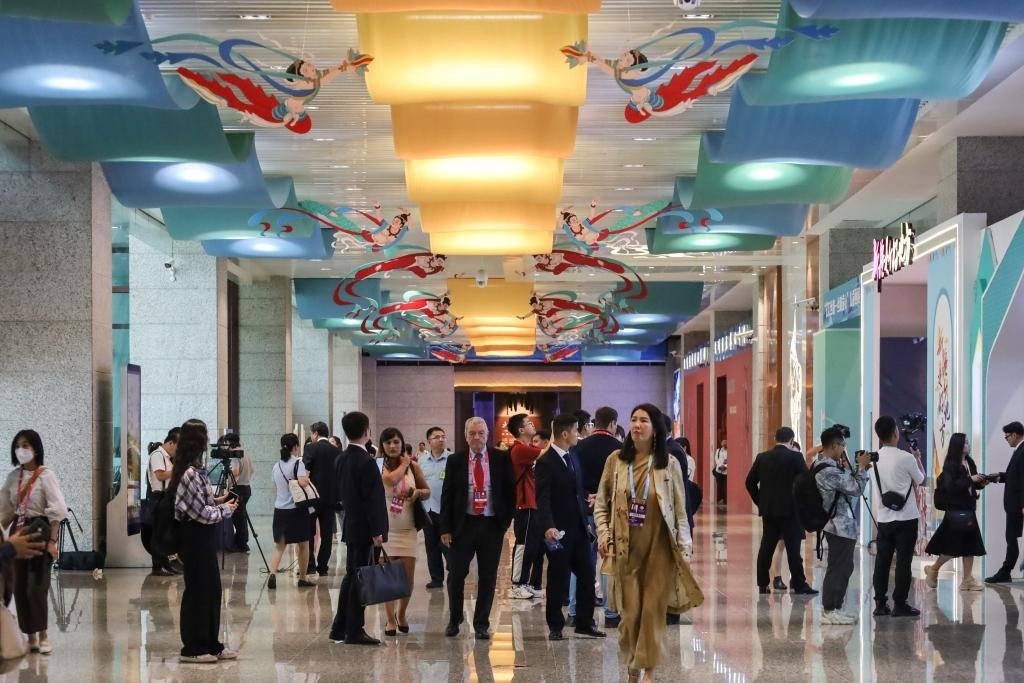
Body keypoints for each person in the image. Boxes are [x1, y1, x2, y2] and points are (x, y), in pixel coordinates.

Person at [595, 404, 702, 683]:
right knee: (630, 615)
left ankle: (649, 674)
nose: (636, 425)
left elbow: (681, 511)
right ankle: (634, 665)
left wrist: (685, 548)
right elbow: (601, 504)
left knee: (653, 614)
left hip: (660, 551)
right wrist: (604, 534)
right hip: (626, 550)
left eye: (643, 420)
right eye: (633, 419)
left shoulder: (669, 464)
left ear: (655, 428)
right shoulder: (616, 461)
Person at [439, 417, 515, 640]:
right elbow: (447, 496)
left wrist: (504, 522)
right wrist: (445, 528)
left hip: (491, 525)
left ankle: (481, 623)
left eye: (481, 433)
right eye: (472, 433)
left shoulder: (501, 458)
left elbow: (510, 491)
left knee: (488, 576)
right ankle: (455, 619)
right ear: (466, 436)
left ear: (487, 434)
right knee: (456, 574)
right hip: (463, 525)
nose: (477, 437)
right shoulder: (455, 460)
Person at [170, 419, 239, 663]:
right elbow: (200, 513)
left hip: (204, 537)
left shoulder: (197, 470)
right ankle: (192, 647)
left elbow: (205, 503)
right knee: (198, 591)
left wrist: (221, 501)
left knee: (212, 589)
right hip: (194, 538)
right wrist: (226, 510)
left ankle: (211, 643)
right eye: (206, 435)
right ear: (197, 440)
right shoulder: (189, 473)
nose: (209, 440)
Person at [536, 414, 606, 641]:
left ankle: (585, 622)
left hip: (579, 528)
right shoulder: (546, 462)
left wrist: (588, 499)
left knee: (587, 575)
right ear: (565, 434)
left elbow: (576, 490)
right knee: (558, 578)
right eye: (576, 430)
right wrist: (548, 526)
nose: (579, 434)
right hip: (559, 531)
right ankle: (555, 625)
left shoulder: (573, 456)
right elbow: (543, 498)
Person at [0, 430, 68, 655]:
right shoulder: (13, 478)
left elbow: (57, 511)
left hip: (39, 530)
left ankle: (43, 634)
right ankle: (29, 636)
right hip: (18, 531)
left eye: (26, 445)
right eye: (18, 445)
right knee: (19, 586)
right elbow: (5, 511)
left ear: (36, 449)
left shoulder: (46, 476)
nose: (21, 450)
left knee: (37, 586)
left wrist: (52, 541)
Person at [329, 412, 388, 645]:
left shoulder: (341, 458)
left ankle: (339, 627)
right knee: (360, 578)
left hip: (351, 525)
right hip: (365, 529)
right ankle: (354, 629)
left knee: (351, 576)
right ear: (367, 431)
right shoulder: (367, 462)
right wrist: (377, 531)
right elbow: (372, 500)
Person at [745, 427, 817, 595]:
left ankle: (762, 583)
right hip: (790, 511)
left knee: (766, 547)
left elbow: (749, 483)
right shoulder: (795, 457)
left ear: (775, 439)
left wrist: (760, 502)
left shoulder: (762, 457)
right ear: (791, 441)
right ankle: (799, 584)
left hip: (769, 511)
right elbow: (807, 482)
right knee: (793, 549)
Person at [811, 427, 872, 625]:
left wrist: (856, 470)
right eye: (842, 445)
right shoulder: (828, 470)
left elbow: (847, 486)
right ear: (834, 445)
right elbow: (855, 489)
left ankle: (835, 608)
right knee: (838, 568)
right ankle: (829, 610)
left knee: (844, 567)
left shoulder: (826, 465)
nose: (844, 449)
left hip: (840, 525)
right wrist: (862, 468)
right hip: (838, 526)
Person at [870, 415, 925, 617]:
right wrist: (917, 457)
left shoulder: (873, 459)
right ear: (895, 433)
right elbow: (921, 480)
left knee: (882, 562)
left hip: (884, 519)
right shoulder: (906, 458)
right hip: (906, 519)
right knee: (903, 562)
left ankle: (880, 604)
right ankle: (900, 604)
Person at [378, 427, 430, 636]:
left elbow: (427, 491)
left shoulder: (414, 467)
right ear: (382, 446)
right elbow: (390, 480)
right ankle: (390, 620)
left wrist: (417, 492)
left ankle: (401, 614)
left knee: (407, 580)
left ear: (402, 443)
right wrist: (404, 463)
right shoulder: (379, 465)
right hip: (386, 529)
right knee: (388, 578)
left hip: (408, 529)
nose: (392, 446)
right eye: (388, 442)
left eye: (396, 442)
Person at [574, 407, 622, 627]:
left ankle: (573, 610)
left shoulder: (578, 447)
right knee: (607, 557)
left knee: (581, 559)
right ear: (612, 424)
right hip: (609, 510)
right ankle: (610, 612)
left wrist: (586, 496)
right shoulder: (619, 450)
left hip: (582, 509)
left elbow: (573, 478)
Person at [924, 433, 987, 591]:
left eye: (967, 442)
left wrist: (981, 482)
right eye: (964, 442)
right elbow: (952, 487)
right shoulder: (950, 465)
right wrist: (970, 480)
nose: (967, 445)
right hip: (957, 510)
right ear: (957, 445)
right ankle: (934, 569)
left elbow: (972, 484)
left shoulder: (969, 462)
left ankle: (967, 579)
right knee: (954, 546)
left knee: (970, 545)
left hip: (968, 508)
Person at [268, 434, 315, 590]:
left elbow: (275, 488)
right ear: (295, 447)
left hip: (280, 510)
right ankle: (303, 578)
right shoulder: (298, 463)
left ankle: (272, 574)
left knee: (279, 546)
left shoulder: (276, 466)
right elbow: (302, 482)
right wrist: (307, 478)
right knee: (304, 544)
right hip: (297, 510)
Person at [507, 413, 545, 600]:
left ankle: (527, 582)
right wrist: (557, 432)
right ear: (521, 430)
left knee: (532, 544)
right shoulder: (519, 449)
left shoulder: (528, 447)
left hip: (532, 502)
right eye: (528, 423)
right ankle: (517, 585)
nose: (532, 424)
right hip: (524, 503)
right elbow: (547, 452)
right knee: (523, 544)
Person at [986, 421, 1024, 583]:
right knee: (1013, 538)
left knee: (1013, 538)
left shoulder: (1023, 451)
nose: (1007, 440)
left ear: (1015, 435)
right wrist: (1000, 476)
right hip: (1014, 505)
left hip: (1017, 505)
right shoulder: (1019, 450)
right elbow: (1015, 476)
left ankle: (1006, 571)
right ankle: (1006, 570)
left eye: (1007, 437)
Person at [303, 421, 340, 576]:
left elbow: (305, 472)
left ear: (316, 433)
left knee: (309, 532)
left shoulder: (310, 448)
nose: (311, 436)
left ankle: (310, 564)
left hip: (312, 499)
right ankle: (323, 566)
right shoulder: (336, 450)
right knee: (327, 534)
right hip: (330, 499)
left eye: (312, 433)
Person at [144, 428, 179, 575]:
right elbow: (160, 475)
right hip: (158, 498)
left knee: (165, 533)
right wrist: (179, 470)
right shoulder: (157, 455)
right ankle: (158, 566)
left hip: (167, 497)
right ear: (170, 443)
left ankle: (166, 563)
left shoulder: (167, 457)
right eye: (178, 447)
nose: (178, 451)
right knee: (158, 533)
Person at [419, 427, 451, 590]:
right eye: (437, 437)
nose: (441, 439)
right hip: (428, 509)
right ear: (429, 441)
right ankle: (436, 578)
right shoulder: (422, 461)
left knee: (448, 544)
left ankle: (453, 571)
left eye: (443, 436)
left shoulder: (452, 459)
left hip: (446, 510)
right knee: (431, 546)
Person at [229, 445, 254, 553]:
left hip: (237, 488)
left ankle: (241, 544)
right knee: (241, 516)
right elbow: (252, 470)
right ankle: (242, 542)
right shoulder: (245, 452)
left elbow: (236, 471)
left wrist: (228, 481)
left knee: (237, 517)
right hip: (246, 488)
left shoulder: (235, 454)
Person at [713, 438, 728, 506]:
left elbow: (728, 460)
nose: (724, 444)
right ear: (721, 444)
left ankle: (725, 499)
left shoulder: (728, 451)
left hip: (725, 471)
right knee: (719, 485)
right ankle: (719, 499)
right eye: (723, 443)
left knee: (724, 486)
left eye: (725, 443)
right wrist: (720, 465)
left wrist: (725, 466)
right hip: (718, 471)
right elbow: (716, 458)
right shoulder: (718, 450)